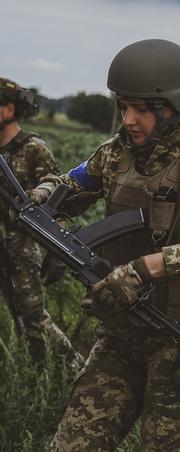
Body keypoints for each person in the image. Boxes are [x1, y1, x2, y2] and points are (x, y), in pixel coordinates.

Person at [35, 39, 180, 452]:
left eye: (139, 110)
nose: (128, 120)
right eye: (123, 107)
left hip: (179, 339)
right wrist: (44, 197)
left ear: (171, 108)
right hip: (122, 332)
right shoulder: (118, 151)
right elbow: (73, 183)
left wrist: (146, 268)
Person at [0, 77, 81, 367]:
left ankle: (73, 369)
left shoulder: (33, 148)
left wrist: (57, 254)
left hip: (20, 248)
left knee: (33, 317)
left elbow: (56, 190)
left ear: (8, 110)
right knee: (16, 316)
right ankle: (29, 369)